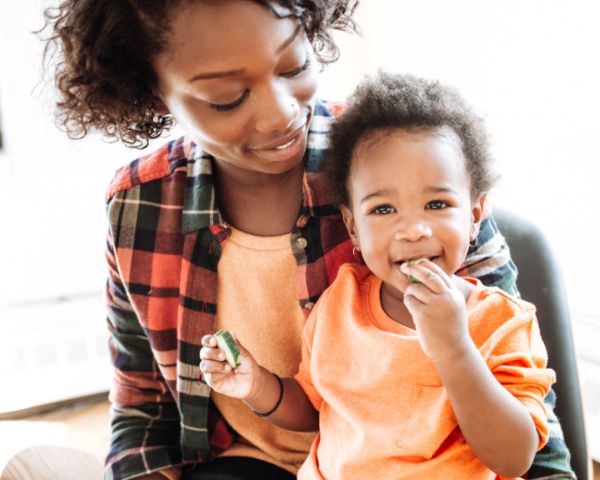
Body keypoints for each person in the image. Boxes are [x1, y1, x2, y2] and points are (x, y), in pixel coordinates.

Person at [33, 1, 575, 479]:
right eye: (226, 98)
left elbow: (527, 423)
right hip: (249, 461)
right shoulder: (140, 203)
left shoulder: (393, 166)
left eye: (294, 66)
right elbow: (142, 407)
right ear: (155, 94)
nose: (279, 113)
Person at [199, 71, 557, 479]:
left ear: (475, 215)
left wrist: (454, 349)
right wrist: (256, 384)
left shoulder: (501, 321)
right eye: (384, 210)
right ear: (353, 227)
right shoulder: (340, 303)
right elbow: (314, 409)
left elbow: (514, 457)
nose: (413, 229)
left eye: (437, 204)